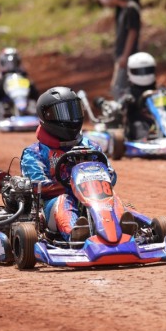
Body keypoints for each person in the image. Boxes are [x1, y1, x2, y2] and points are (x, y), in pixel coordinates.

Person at [20, 86, 115, 242]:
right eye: (62, 112)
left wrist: (95, 183)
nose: (70, 118)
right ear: (46, 116)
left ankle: (124, 227)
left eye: (73, 111)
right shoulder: (34, 153)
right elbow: (38, 186)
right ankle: (75, 233)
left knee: (112, 199)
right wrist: (74, 186)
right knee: (64, 201)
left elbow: (110, 174)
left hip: (94, 199)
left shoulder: (91, 146)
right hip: (52, 206)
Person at [110, 0, 141, 99]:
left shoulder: (130, 9)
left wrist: (125, 55)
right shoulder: (126, 8)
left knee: (119, 89)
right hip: (124, 54)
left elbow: (132, 32)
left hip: (127, 55)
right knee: (121, 88)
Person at [0, 47, 39, 114]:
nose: (10, 65)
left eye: (13, 62)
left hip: (26, 109)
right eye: (7, 63)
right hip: (4, 111)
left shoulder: (24, 77)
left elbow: (34, 94)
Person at [121, 52, 160, 141]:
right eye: (139, 71)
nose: (144, 74)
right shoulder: (129, 93)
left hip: (160, 121)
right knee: (139, 126)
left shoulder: (158, 91)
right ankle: (146, 139)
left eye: (147, 70)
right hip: (139, 122)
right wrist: (127, 102)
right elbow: (120, 107)